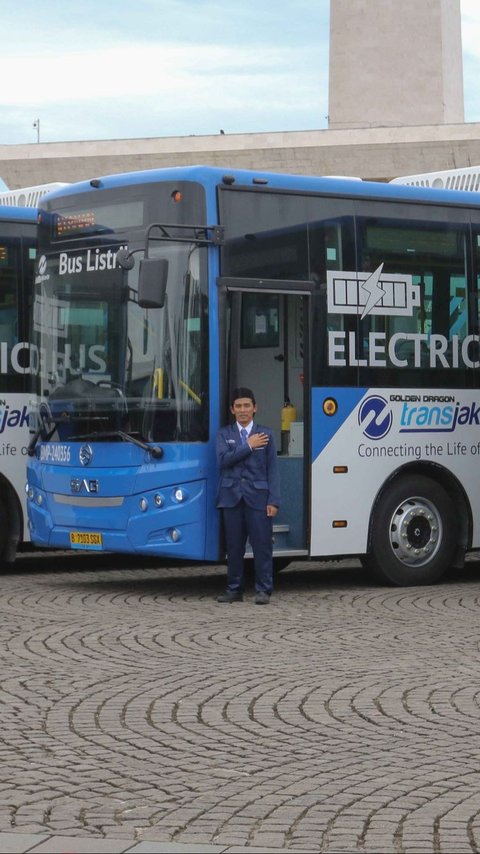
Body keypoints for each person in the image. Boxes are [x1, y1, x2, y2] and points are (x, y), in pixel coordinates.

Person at [216, 387, 280, 605]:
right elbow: (223, 461)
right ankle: (234, 589)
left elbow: (273, 470)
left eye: (246, 406)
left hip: (259, 498)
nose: (243, 410)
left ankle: (264, 589)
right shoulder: (224, 434)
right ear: (232, 410)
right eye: (238, 406)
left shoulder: (266, 434)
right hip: (231, 497)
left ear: (255, 408)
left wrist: (273, 500)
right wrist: (248, 446)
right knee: (234, 547)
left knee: (262, 545)